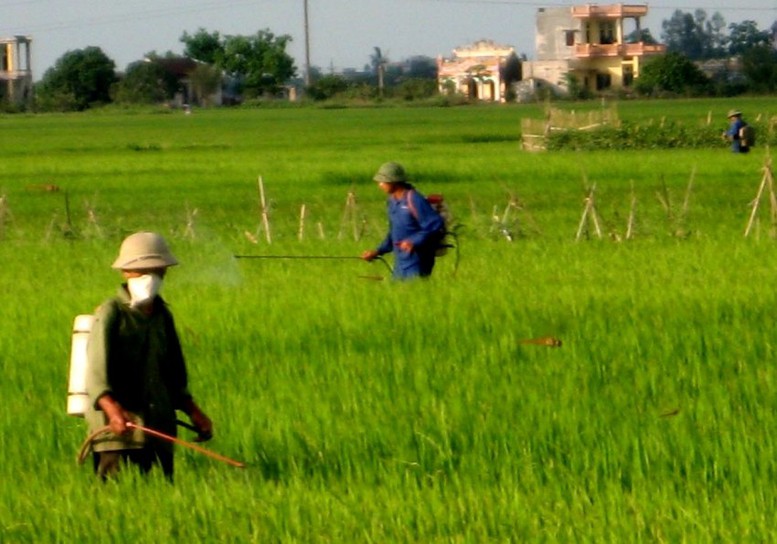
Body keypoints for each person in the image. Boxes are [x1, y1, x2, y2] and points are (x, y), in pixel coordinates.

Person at [85, 231, 212, 480]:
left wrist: (194, 412)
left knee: (160, 494)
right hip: (118, 433)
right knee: (116, 499)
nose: (150, 278)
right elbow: (96, 374)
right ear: (125, 273)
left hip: (159, 426)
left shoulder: (163, 316)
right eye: (141, 271)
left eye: (157, 271)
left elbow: (174, 376)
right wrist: (112, 411)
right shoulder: (112, 313)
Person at [361, 162, 445, 280]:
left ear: (394, 181)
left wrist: (413, 241)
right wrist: (378, 251)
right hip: (400, 260)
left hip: (417, 258)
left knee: (416, 292)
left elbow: (435, 223)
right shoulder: (392, 201)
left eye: (382, 181)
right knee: (398, 293)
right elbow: (393, 232)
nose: (380, 185)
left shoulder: (414, 199)